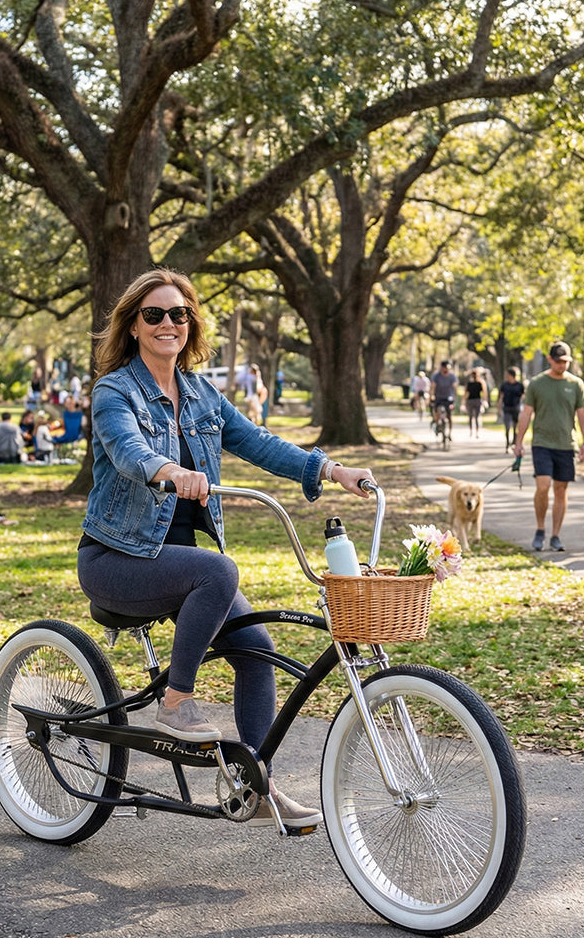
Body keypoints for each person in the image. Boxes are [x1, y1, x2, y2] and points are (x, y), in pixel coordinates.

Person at [76, 267, 376, 829]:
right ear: (134, 326)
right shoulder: (114, 390)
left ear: (191, 323)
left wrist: (331, 470)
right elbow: (125, 448)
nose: (169, 323)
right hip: (115, 559)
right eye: (154, 314)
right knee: (219, 570)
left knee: (256, 654)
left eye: (179, 313)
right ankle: (174, 704)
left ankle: (254, 786)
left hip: (175, 564)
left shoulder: (201, 395)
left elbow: (259, 442)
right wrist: (165, 468)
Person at [512, 341, 584, 552]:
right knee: (543, 486)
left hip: (566, 444)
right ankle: (540, 528)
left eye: (565, 362)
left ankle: (555, 535)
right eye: (558, 361)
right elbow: (526, 413)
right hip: (542, 444)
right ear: (549, 360)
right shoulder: (537, 384)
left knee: (561, 490)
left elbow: (583, 415)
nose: (562, 365)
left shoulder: (576, 384)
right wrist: (518, 442)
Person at [498, 367, 525, 453]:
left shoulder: (519, 385)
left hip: (516, 408)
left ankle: (514, 442)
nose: (506, 377)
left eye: (508, 375)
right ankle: (507, 444)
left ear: (511, 375)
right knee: (507, 426)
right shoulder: (504, 385)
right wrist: (499, 407)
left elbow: (523, 396)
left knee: (515, 427)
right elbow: (501, 396)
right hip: (507, 408)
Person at [430, 361, 457, 439]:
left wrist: (455, 397)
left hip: (448, 398)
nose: (446, 370)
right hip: (438, 397)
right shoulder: (436, 376)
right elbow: (433, 387)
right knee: (437, 412)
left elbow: (455, 387)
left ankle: (449, 434)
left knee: (449, 416)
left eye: (447, 369)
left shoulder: (452, 377)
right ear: (441, 368)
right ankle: (438, 425)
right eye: (444, 368)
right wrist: (431, 397)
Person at [463, 368, 488, 439]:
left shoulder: (479, 382)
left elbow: (484, 392)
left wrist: (484, 400)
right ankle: (474, 431)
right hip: (474, 400)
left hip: (474, 400)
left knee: (473, 417)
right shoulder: (474, 383)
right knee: (475, 417)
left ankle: (474, 431)